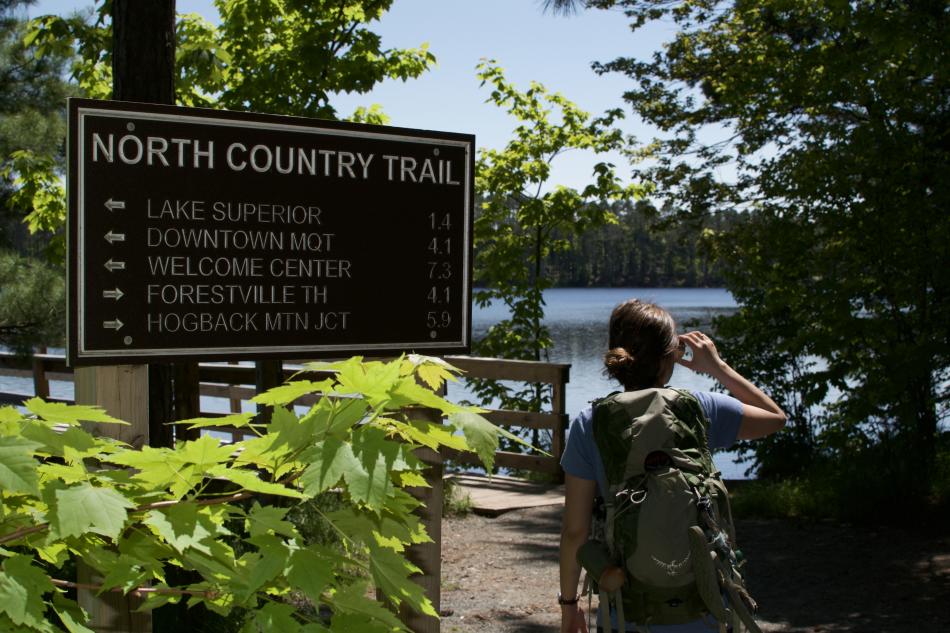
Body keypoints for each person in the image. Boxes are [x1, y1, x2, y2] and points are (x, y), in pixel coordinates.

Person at [559, 299, 787, 633]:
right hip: (704, 606)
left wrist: (569, 606)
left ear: (616, 354)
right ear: (671, 356)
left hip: (626, 609)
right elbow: (775, 419)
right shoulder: (700, 410)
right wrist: (715, 366)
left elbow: (574, 533)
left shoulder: (590, 424)